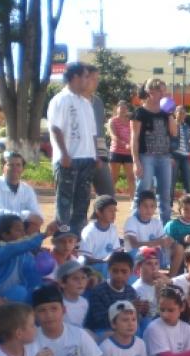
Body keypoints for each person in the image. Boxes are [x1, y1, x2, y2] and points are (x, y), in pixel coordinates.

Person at [48, 62, 97, 232]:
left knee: (82, 202)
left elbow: (92, 133)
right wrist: (63, 153)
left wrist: (95, 155)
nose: (87, 80)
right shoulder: (60, 99)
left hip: (87, 158)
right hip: (69, 159)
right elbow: (55, 128)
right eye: (85, 76)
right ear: (75, 77)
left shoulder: (86, 103)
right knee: (65, 203)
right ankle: (62, 238)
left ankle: (77, 239)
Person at [131, 78, 178, 224]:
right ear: (150, 92)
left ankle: (165, 228)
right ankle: (135, 225)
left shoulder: (166, 112)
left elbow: (174, 133)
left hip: (164, 157)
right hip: (146, 157)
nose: (164, 94)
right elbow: (134, 138)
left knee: (165, 195)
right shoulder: (140, 112)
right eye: (161, 91)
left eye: (165, 90)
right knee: (143, 191)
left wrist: (170, 114)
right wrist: (136, 161)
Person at [0, 214, 57, 303]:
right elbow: (23, 245)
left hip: (17, 299)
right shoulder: (0, 248)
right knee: (20, 292)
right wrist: (44, 235)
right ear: (5, 235)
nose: (23, 234)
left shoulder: (26, 255)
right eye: (18, 230)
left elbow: (34, 278)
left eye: (23, 230)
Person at [0, 151, 43, 249]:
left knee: (35, 226)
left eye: (18, 165)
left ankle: (25, 250)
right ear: (2, 167)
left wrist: (29, 220)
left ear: (23, 168)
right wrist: (25, 215)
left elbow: (38, 217)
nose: (15, 168)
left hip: (18, 233)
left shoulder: (27, 189)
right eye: (10, 165)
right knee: (11, 228)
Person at [85, 251, 138, 333]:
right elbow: (99, 321)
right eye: (115, 271)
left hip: (124, 329)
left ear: (131, 273)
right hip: (101, 331)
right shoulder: (98, 291)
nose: (119, 275)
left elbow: (134, 319)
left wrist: (140, 311)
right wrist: (125, 308)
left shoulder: (131, 291)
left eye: (124, 272)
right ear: (109, 270)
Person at [83, 65, 116, 197]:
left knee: (108, 195)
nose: (97, 82)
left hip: (99, 154)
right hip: (81, 154)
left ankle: (96, 218)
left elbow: (100, 130)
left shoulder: (98, 102)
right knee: (82, 197)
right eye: (93, 79)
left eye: (98, 79)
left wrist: (102, 155)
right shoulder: (75, 101)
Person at [79, 194, 121, 274]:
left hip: (110, 266)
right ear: (99, 212)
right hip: (94, 269)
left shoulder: (113, 229)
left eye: (114, 211)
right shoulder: (89, 231)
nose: (113, 214)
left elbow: (116, 251)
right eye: (110, 211)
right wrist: (103, 261)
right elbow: (85, 258)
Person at [164, 194, 190, 276]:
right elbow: (166, 242)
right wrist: (186, 239)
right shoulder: (172, 225)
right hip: (174, 255)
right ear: (179, 210)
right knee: (180, 248)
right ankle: (172, 278)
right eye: (186, 209)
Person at [107, 100, 135, 198]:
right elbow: (113, 135)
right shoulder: (112, 120)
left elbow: (134, 135)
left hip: (128, 153)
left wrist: (132, 144)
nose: (123, 109)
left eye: (125, 108)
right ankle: (108, 200)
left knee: (131, 177)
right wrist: (124, 144)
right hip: (116, 152)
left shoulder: (130, 121)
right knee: (113, 178)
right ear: (117, 109)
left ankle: (133, 202)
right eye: (121, 107)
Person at [56, 260, 90, 327]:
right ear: (62, 283)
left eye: (83, 278)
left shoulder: (84, 302)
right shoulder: (57, 304)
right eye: (75, 278)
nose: (81, 282)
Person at [172, 105, 190, 195]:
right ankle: (169, 205)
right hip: (175, 155)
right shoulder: (171, 125)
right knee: (172, 181)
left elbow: (187, 141)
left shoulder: (186, 127)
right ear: (175, 113)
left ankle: (188, 203)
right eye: (180, 113)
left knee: (187, 181)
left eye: (184, 113)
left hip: (185, 156)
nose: (182, 115)